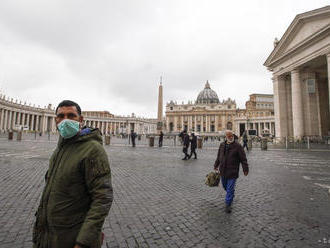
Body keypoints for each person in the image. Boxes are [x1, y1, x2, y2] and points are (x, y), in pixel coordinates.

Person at [33, 100, 113, 248]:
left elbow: (103, 197)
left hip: (73, 238)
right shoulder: (60, 149)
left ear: (80, 120)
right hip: (49, 236)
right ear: (55, 120)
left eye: (71, 115)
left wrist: (83, 242)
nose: (65, 120)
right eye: (61, 116)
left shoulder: (93, 150)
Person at [214, 130, 248, 213]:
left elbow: (243, 159)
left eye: (231, 135)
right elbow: (219, 156)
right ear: (226, 137)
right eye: (229, 136)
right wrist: (216, 165)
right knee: (225, 186)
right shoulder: (222, 145)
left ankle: (228, 204)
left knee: (229, 188)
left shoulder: (238, 146)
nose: (230, 137)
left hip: (233, 171)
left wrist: (245, 169)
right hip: (223, 170)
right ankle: (231, 194)